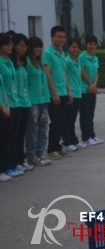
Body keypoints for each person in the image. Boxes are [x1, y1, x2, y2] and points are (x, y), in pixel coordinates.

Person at [42, 26, 73, 160]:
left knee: (63, 121)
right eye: (58, 37)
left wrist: (69, 91)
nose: (61, 39)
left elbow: (65, 74)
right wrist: (53, 93)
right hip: (54, 93)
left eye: (63, 37)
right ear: (52, 38)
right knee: (56, 121)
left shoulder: (62, 53)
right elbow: (47, 74)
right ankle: (51, 149)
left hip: (63, 91)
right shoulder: (47, 53)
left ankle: (58, 147)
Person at [25, 37, 52, 166]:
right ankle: (31, 155)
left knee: (43, 127)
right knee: (33, 128)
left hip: (44, 99)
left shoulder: (40, 62)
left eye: (40, 46)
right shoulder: (28, 63)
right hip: (33, 101)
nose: (38, 49)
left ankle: (40, 153)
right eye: (36, 46)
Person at [0, 33, 23, 178]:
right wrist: (4, 106)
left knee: (13, 136)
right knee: (4, 138)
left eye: (11, 44)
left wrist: (9, 103)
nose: (10, 47)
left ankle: (10, 165)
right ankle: (2, 168)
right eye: (7, 44)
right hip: (3, 106)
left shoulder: (9, 61)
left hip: (12, 103)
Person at [11, 34, 34, 172]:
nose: (23, 48)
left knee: (21, 135)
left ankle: (20, 159)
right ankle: (13, 161)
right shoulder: (11, 64)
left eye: (25, 46)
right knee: (14, 135)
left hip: (25, 103)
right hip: (16, 102)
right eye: (20, 45)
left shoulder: (24, 63)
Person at [79, 35, 103, 146]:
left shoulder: (95, 57)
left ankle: (92, 135)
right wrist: (90, 84)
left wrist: (94, 85)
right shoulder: (82, 57)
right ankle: (86, 137)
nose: (92, 46)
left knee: (91, 114)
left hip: (92, 89)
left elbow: (97, 72)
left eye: (94, 44)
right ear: (86, 45)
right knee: (85, 114)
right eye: (90, 44)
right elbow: (82, 72)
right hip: (85, 89)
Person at [62, 38, 86, 151]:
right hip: (70, 93)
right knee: (67, 119)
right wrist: (69, 91)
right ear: (69, 48)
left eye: (77, 47)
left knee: (73, 119)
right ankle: (67, 141)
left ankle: (74, 140)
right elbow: (65, 76)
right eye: (73, 47)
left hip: (78, 92)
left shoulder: (77, 60)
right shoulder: (67, 61)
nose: (75, 49)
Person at [0, 44, 11, 182]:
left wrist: (6, 104)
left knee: (5, 137)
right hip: (2, 108)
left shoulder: (8, 62)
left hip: (5, 105)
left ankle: (4, 167)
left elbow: (3, 89)